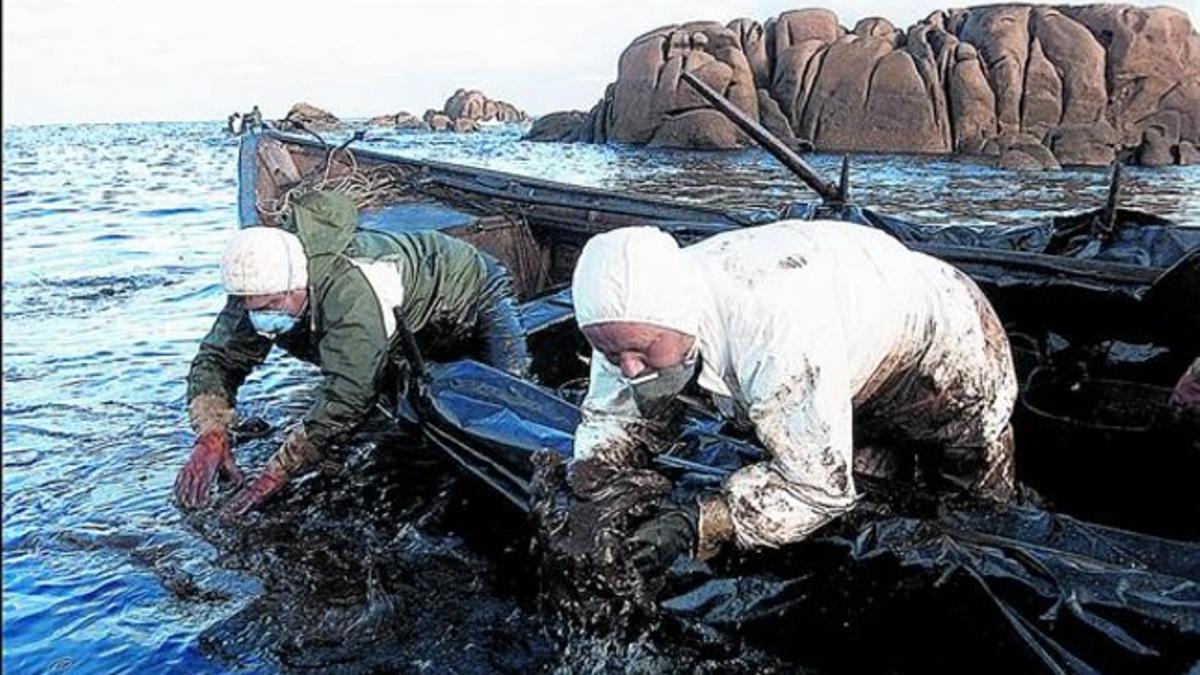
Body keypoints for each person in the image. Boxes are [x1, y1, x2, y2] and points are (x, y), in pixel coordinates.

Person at [566, 221, 1018, 574]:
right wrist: (592, 491)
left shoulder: (773, 330)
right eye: (610, 352)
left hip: (947, 347)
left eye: (641, 351)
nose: (627, 367)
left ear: (683, 318)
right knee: (873, 505)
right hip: (851, 356)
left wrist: (703, 521)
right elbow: (612, 418)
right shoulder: (626, 319)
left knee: (973, 511)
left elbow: (819, 487)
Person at [174, 190, 531, 516]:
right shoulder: (259, 288)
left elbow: (349, 393)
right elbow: (215, 360)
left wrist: (275, 473)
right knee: (400, 396)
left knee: (511, 403)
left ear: (300, 284)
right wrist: (212, 433)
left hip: (471, 286)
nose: (263, 317)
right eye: (254, 307)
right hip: (401, 318)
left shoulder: (349, 293)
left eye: (271, 305)